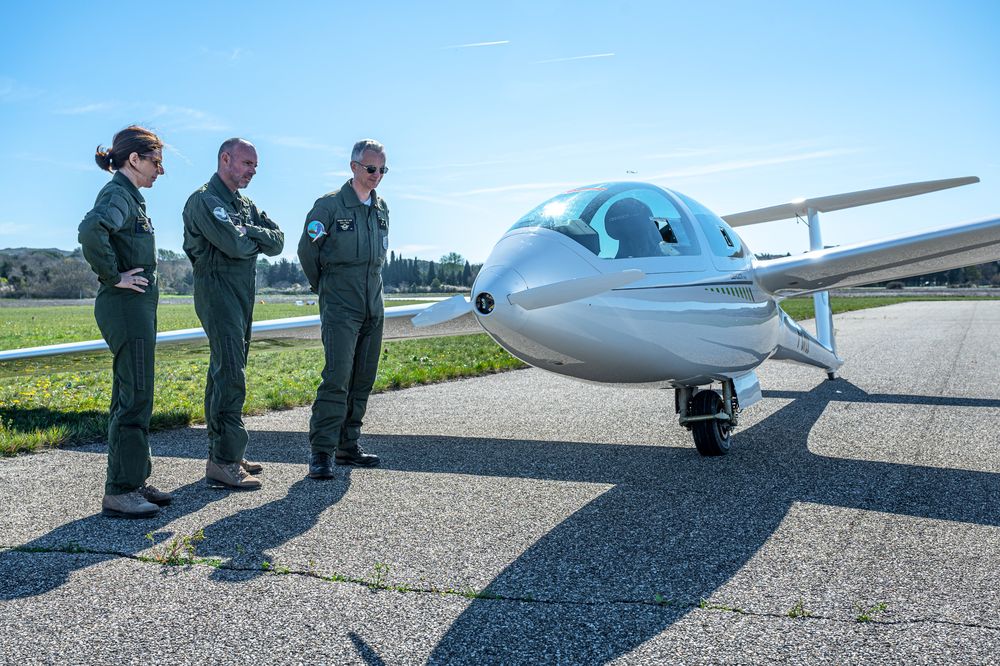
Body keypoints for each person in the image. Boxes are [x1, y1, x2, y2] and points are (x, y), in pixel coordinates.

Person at [182, 138, 284, 490]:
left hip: (242, 296)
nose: (252, 171)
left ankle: (224, 453)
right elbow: (235, 246)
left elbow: (279, 240)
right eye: (246, 163)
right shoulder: (204, 201)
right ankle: (224, 461)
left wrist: (249, 229)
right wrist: (249, 238)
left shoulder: (244, 205)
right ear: (225, 159)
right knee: (230, 373)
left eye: (255, 165)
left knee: (225, 371)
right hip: (218, 292)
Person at [78, 125, 169, 518]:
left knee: (134, 392)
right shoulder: (118, 195)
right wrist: (114, 276)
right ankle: (120, 489)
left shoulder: (131, 197)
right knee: (135, 395)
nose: (160, 171)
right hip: (124, 304)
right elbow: (91, 230)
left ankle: (133, 479)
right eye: (155, 161)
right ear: (134, 159)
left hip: (134, 306)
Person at [298, 139, 390, 478]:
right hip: (340, 304)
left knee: (362, 379)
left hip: (373, 305)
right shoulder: (330, 207)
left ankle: (348, 445)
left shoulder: (381, 209)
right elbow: (308, 252)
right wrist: (323, 288)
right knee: (336, 378)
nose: (376, 175)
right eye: (370, 168)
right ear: (354, 167)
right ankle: (322, 452)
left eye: (382, 169)